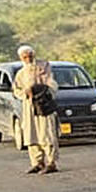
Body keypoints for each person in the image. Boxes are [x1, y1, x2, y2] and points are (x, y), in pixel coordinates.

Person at [12, 45, 60, 174]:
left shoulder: (44, 67)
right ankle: (37, 162)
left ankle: (51, 162)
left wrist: (38, 89)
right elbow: (16, 91)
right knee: (31, 134)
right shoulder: (21, 73)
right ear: (21, 58)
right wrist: (26, 92)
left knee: (47, 134)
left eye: (30, 56)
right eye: (25, 57)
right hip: (29, 106)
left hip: (44, 105)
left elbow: (52, 84)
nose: (28, 59)